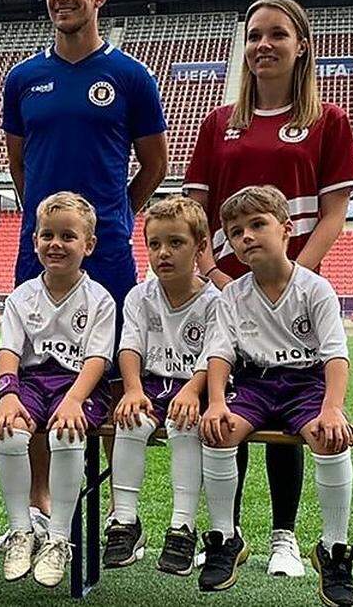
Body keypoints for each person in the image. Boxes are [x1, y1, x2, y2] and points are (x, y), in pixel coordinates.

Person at [183, 0, 353, 577]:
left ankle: (285, 535)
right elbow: (196, 213)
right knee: (228, 405)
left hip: (293, 284)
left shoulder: (326, 120)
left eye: (278, 34)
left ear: (301, 44)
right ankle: (223, 537)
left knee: (292, 402)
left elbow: (333, 212)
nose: (264, 45)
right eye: (255, 35)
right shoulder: (219, 124)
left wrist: (292, 274)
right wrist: (213, 275)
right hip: (226, 293)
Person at [1, 0, 168, 532]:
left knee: (103, 379)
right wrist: (42, 220)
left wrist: (116, 213)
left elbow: (154, 162)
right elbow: (20, 165)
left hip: (110, 252)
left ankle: (108, 514)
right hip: (37, 247)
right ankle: (44, 507)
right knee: (36, 372)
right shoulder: (23, 78)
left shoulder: (131, 77)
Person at [196, 186, 353, 607]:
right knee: (218, 430)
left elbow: (336, 355)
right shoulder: (232, 295)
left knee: (329, 437)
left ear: (286, 230)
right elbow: (219, 354)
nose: (246, 236)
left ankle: (333, 550)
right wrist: (215, 401)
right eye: (235, 232)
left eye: (257, 225)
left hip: (305, 386)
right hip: (255, 383)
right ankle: (224, 538)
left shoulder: (314, 288)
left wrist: (333, 409)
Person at [0, 191, 116, 588]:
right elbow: (9, 350)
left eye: (68, 236)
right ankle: (21, 530)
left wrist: (74, 400)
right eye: (47, 235)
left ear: (89, 245)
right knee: (10, 429)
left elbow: (98, 359)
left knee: (67, 431)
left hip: (79, 385)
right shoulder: (21, 296)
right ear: (34, 241)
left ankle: (59, 539)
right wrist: (8, 395)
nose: (56, 244)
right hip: (30, 383)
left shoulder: (99, 299)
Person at [106, 196, 218, 576]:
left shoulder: (214, 302)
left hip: (196, 387)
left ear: (200, 247)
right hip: (151, 384)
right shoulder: (140, 296)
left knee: (183, 425)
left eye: (175, 243)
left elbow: (216, 356)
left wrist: (191, 390)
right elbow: (130, 347)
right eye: (154, 244)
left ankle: (182, 526)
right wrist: (134, 389)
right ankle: (125, 522)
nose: (163, 253)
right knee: (130, 420)